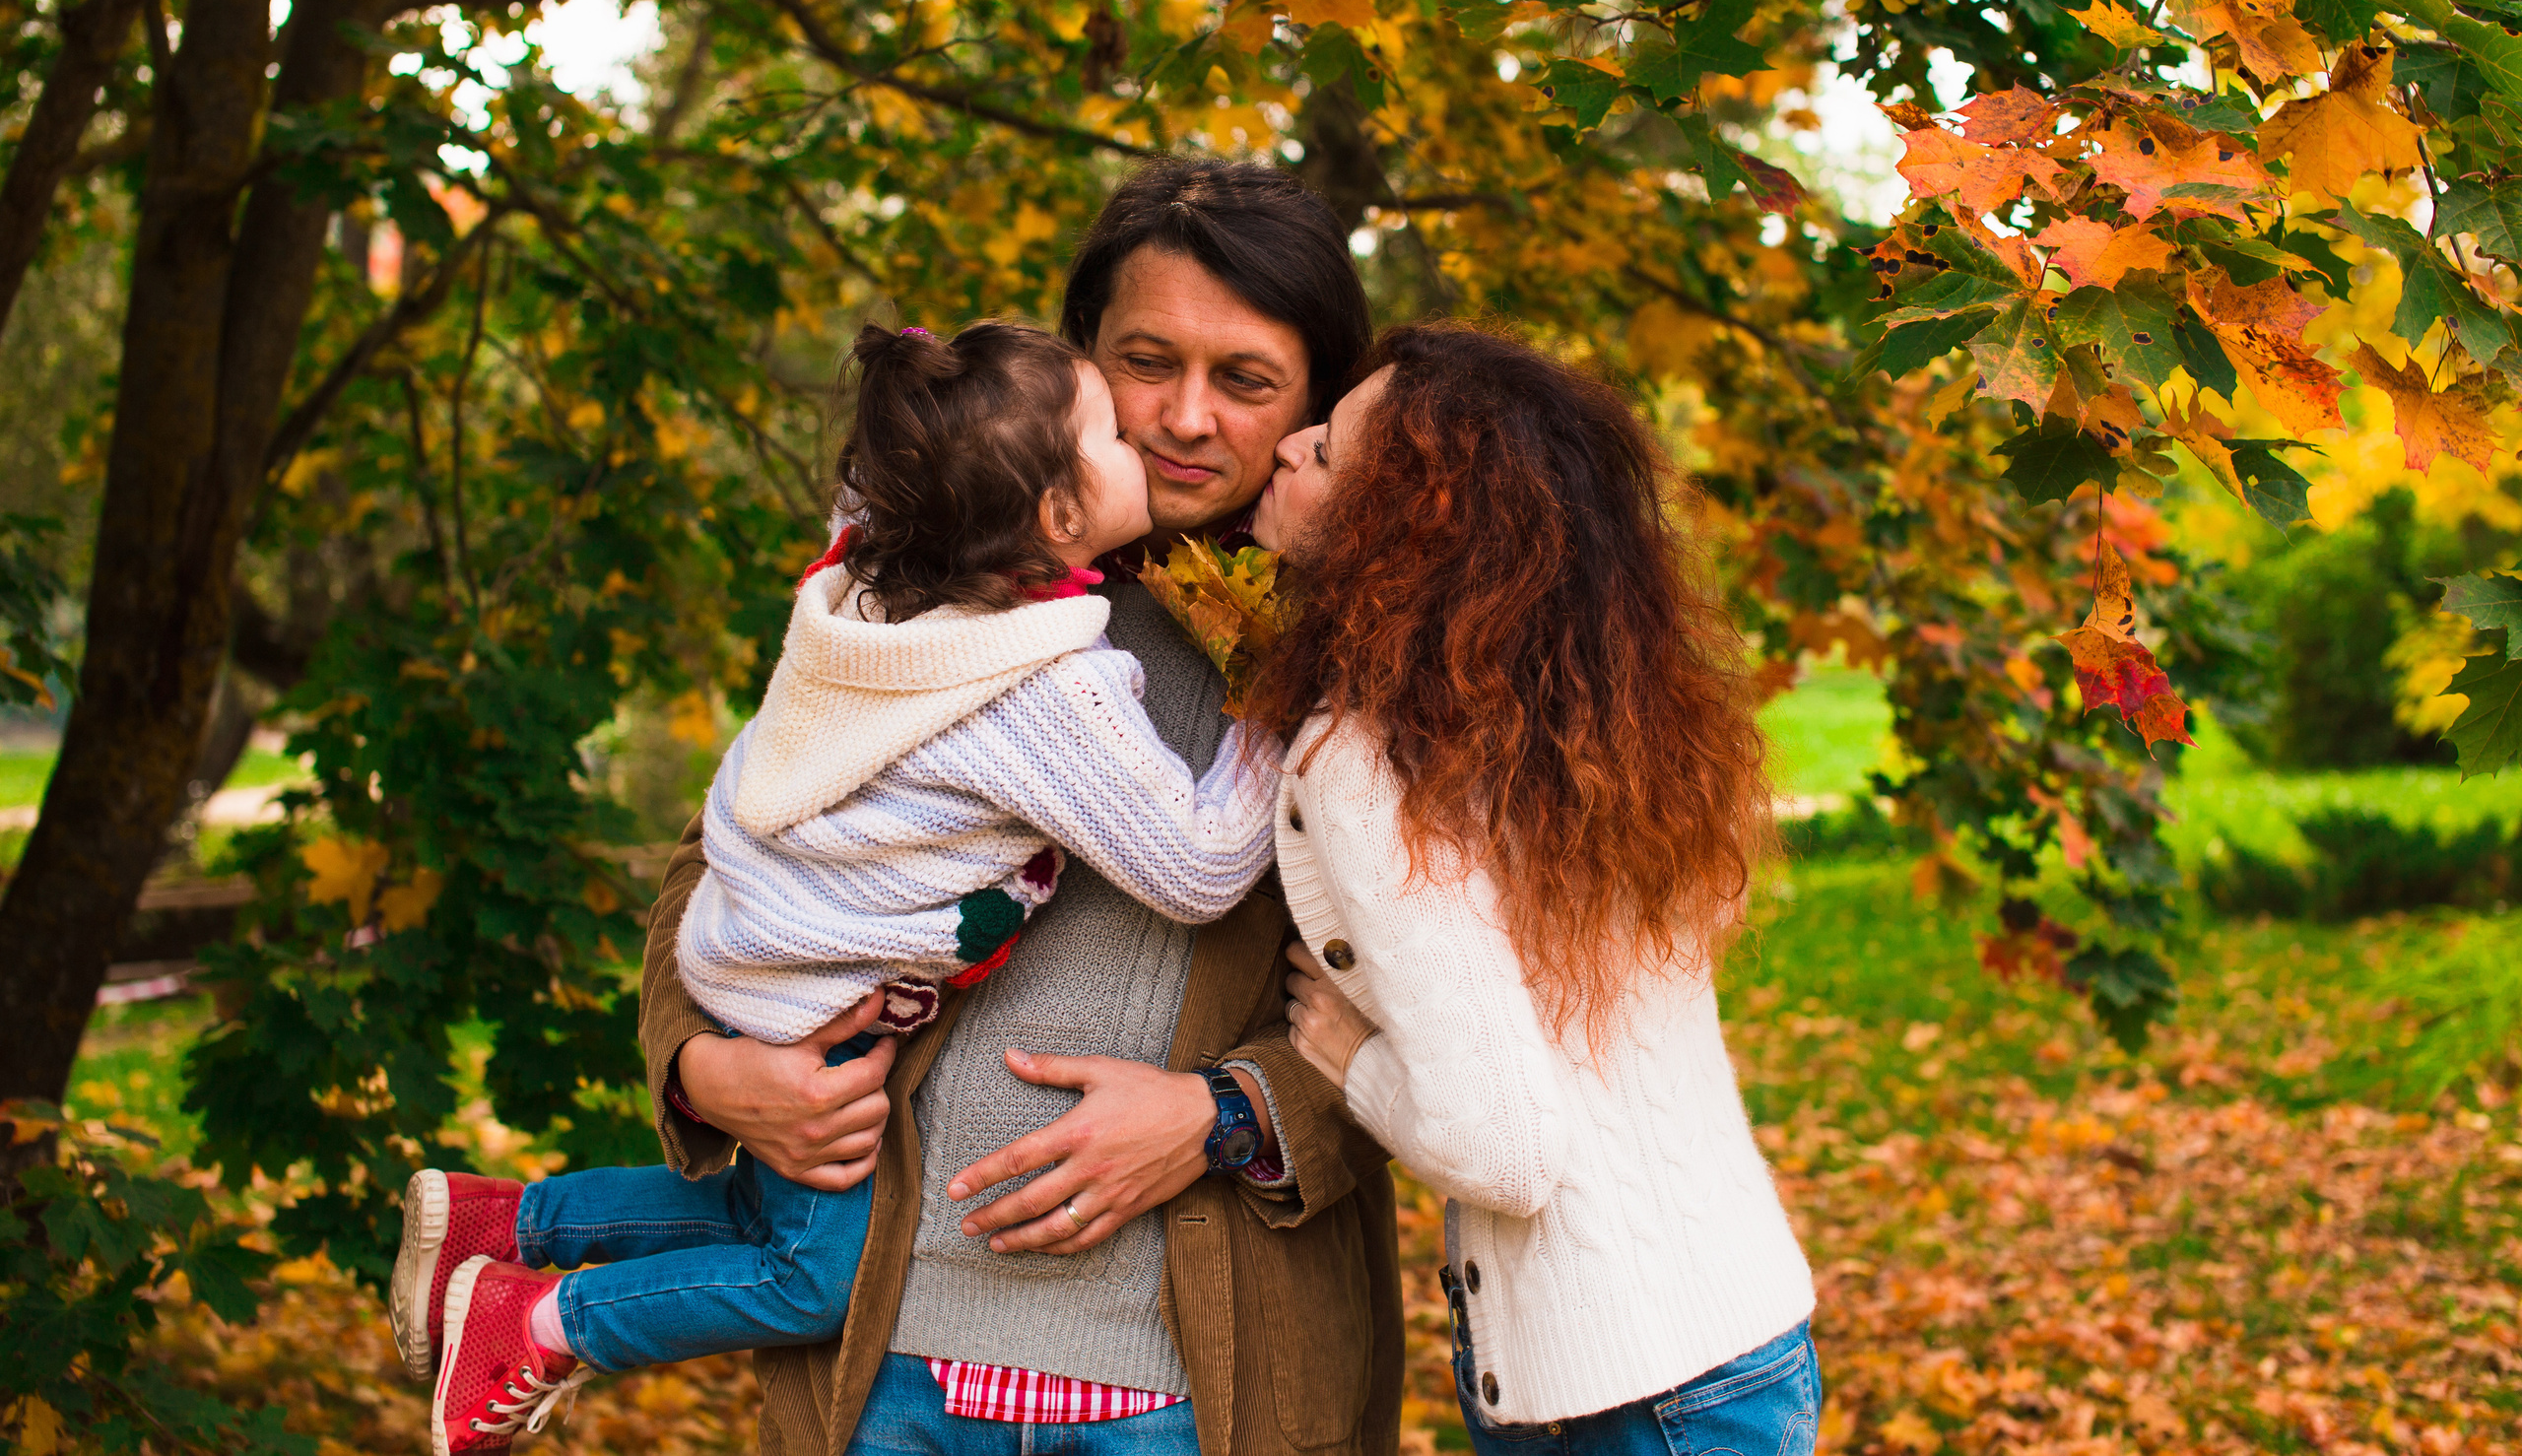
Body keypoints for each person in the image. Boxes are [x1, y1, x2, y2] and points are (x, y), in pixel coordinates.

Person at [393, 321, 1287, 1455]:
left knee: (764, 1215)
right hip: (819, 1003)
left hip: (766, 961)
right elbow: (1201, 865)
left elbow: (883, 480)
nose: (1159, 434)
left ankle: (504, 1221)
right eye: (1117, 416)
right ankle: (544, 1319)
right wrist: (1282, 703)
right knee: (810, 1278)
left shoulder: (868, 580)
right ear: (1056, 519)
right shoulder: (1039, 683)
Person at [633, 159, 1403, 1456]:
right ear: (1078, 362)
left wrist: (1226, 1114)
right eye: (1145, 362)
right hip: (886, 1347)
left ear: (1318, 403)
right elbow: (740, 848)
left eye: (1247, 380)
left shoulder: (1376, 647)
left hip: (1196, 1372)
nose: (1186, 417)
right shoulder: (950, 578)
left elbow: (1470, 1011)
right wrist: (714, 1069)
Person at [1247, 324, 1823, 1456]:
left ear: (1408, 520)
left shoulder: (1366, 758)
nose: (1288, 444)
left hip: (1620, 1399)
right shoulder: (1590, 725)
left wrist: (1346, 1057)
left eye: (1327, 450)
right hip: (1742, 1337)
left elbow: (1502, 1150)